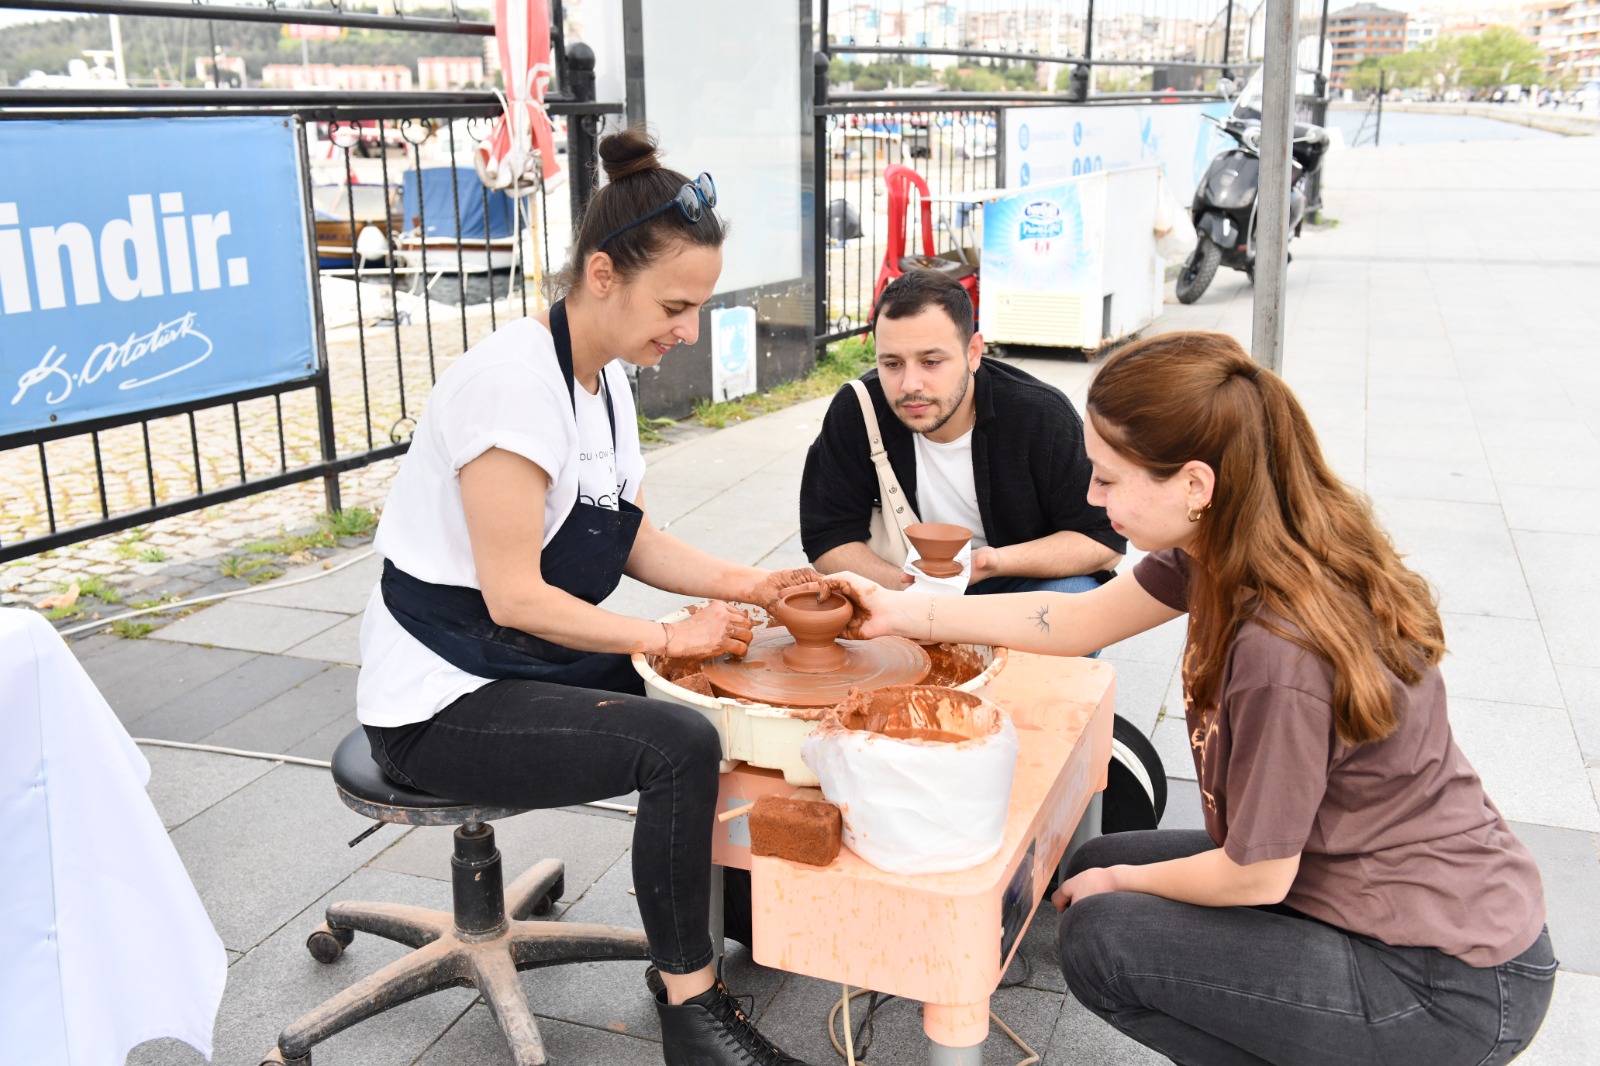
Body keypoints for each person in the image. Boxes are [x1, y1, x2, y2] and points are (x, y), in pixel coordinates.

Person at [831, 330, 1555, 1066]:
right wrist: (902, 612)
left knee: (1101, 934)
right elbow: (1078, 619)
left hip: (1444, 978)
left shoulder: (1279, 650)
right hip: (1359, 884)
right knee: (1092, 865)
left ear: (1196, 485)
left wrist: (1122, 883)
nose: (1091, 497)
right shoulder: (1227, 545)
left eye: (1108, 479)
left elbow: (1257, 874)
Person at [356, 127, 816, 1066]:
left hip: (515, 659)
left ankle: (731, 918)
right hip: (440, 697)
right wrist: (667, 637)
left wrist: (754, 587)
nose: (688, 330)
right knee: (677, 740)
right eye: (676, 306)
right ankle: (693, 1011)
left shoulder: (601, 381)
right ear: (602, 274)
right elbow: (516, 598)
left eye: (698, 307)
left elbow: (623, 532)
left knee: (723, 688)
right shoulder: (511, 386)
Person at [800, 268, 1125, 596]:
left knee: (1076, 594)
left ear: (973, 353)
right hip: (905, 581)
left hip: (1018, 579)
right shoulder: (860, 408)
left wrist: (990, 563)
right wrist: (913, 590)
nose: (910, 385)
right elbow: (828, 536)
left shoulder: (1039, 414)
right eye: (892, 364)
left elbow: (1103, 539)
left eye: (930, 361)